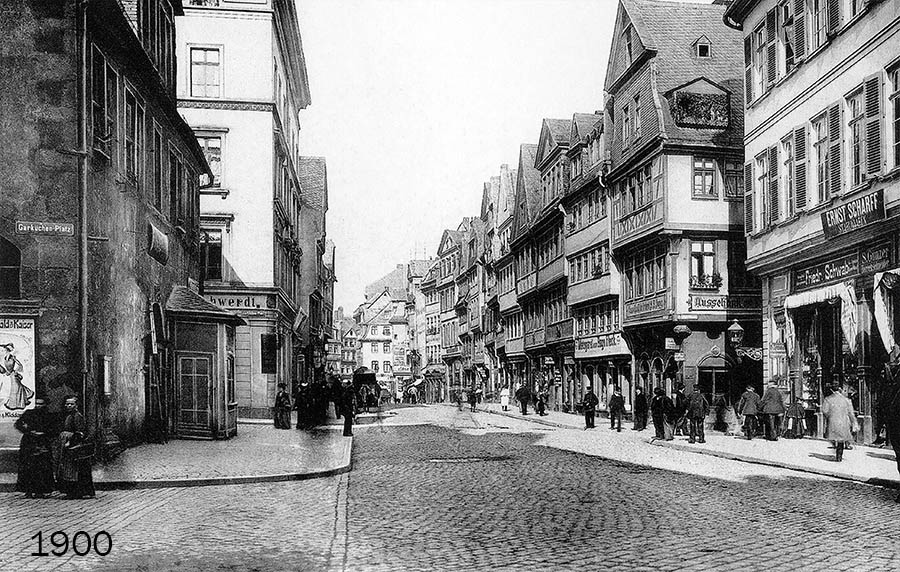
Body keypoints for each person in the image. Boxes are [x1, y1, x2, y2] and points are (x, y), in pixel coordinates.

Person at [14, 397, 56, 498]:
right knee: (28, 467)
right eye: (37, 404)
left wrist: (44, 433)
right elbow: (18, 424)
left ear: (45, 405)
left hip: (42, 442)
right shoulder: (29, 413)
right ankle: (28, 490)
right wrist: (28, 431)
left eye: (41, 404)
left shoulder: (49, 416)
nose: (38, 406)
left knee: (42, 467)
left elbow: (54, 429)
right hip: (29, 442)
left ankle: (41, 491)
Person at [57, 396, 95, 499]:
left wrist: (70, 441)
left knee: (73, 470)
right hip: (67, 443)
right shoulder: (68, 415)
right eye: (67, 404)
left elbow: (80, 433)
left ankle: (75, 492)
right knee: (68, 469)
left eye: (71, 404)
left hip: (73, 445)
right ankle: (71, 492)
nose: (69, 406)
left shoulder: (77, 416)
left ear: (76, 405)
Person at [822, 384, 858, 462]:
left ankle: (836, 452)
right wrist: (854, 422)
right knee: (841, 440)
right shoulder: (847, 400)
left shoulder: (828, 399)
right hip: (844, 422)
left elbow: (825, 411)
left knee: (834, 437)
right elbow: (851, 413)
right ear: (840, 390)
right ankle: (839, 457)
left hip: (832, 423)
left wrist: (830, 416)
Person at [1, 343, 34, 410]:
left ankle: (15, 404)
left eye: (4, 350)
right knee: (18, 387)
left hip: (14, 375)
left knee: (16, 388)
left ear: (7, 350)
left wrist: (16, 371)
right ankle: (24, 399)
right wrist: (6, 372)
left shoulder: (12, 357)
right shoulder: (5, 358)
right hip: (10, 375)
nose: (2, 351)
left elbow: (20, 365)